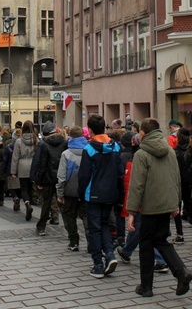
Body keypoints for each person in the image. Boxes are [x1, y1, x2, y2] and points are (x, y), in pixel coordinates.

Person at [126, 118, 192, 298]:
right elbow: (175, 177)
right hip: (166, 204)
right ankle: (181, 272)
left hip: (149, 206)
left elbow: (137, 185)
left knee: (146, 244)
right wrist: (175, 203)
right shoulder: (170, 151)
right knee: (161, 239)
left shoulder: (141, 154)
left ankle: (146, 286)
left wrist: (132, 211)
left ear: (143, 133)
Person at [78, 114, 123, 279]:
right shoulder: (116, 147)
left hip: (94, 194)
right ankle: (110, 255)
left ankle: (98, 264)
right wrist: (120, 195)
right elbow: (120, 174)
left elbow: (83, 176)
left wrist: (81, 194)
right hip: (111, 193)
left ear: (89, 130)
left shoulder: (89, 149)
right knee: (105, 225)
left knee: (94, 229)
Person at [56, 126, 89, 252]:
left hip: (70, 190)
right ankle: (91, 242)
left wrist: (60, 193)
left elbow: (61, 176)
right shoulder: (89, 151)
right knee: (86, 216)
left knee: (69, 216)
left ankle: (74, 241)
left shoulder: (66, 154)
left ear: (71, 137)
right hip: (86, 190)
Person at [34, 121, 67, 236]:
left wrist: (39, 180)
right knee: (63, 205)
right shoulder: (64, 142)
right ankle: (70, 231)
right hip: (61, 177)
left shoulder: (44, 145)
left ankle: (41, 227)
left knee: (46, 204)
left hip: (48, 178)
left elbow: (42, 165)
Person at [11, 121, 37, 220]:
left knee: (24, 188)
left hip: (22, 166)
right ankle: (29, 204)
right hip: (33, 165)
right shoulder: (36, 140)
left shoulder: (19, 141)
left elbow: (15, 157)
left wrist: (13, 171)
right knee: (30, 188)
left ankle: (27, 204)